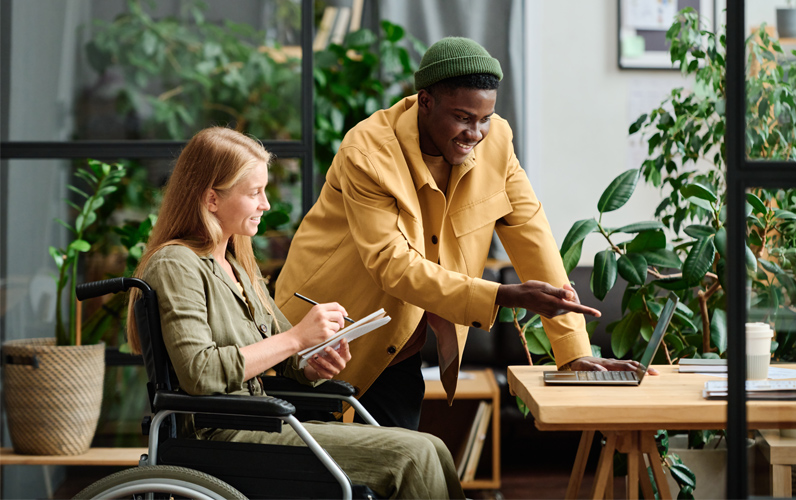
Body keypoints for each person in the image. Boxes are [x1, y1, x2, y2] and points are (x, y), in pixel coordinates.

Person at [275, 37, 645, 431]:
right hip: (316, 342)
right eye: (464, 117)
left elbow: (531, 234)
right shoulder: (367, 152)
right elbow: (392, 264)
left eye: (484, 118)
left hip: (395, 349)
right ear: (426, 101)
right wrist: (501, 295)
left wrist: (572, 352)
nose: (476, 133)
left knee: (399, 478)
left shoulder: (496, 143)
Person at [126, 126, 465, 499]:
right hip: (222, 434)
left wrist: (311, 363)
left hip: (262, 422)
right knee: (414, 456)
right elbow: (200, 373)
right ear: (211, 199)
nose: (266, 204)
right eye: (255, 192)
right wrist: (296, 338)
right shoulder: (176, 264)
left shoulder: (238, 267)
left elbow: (289, 355)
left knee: (433, 447)